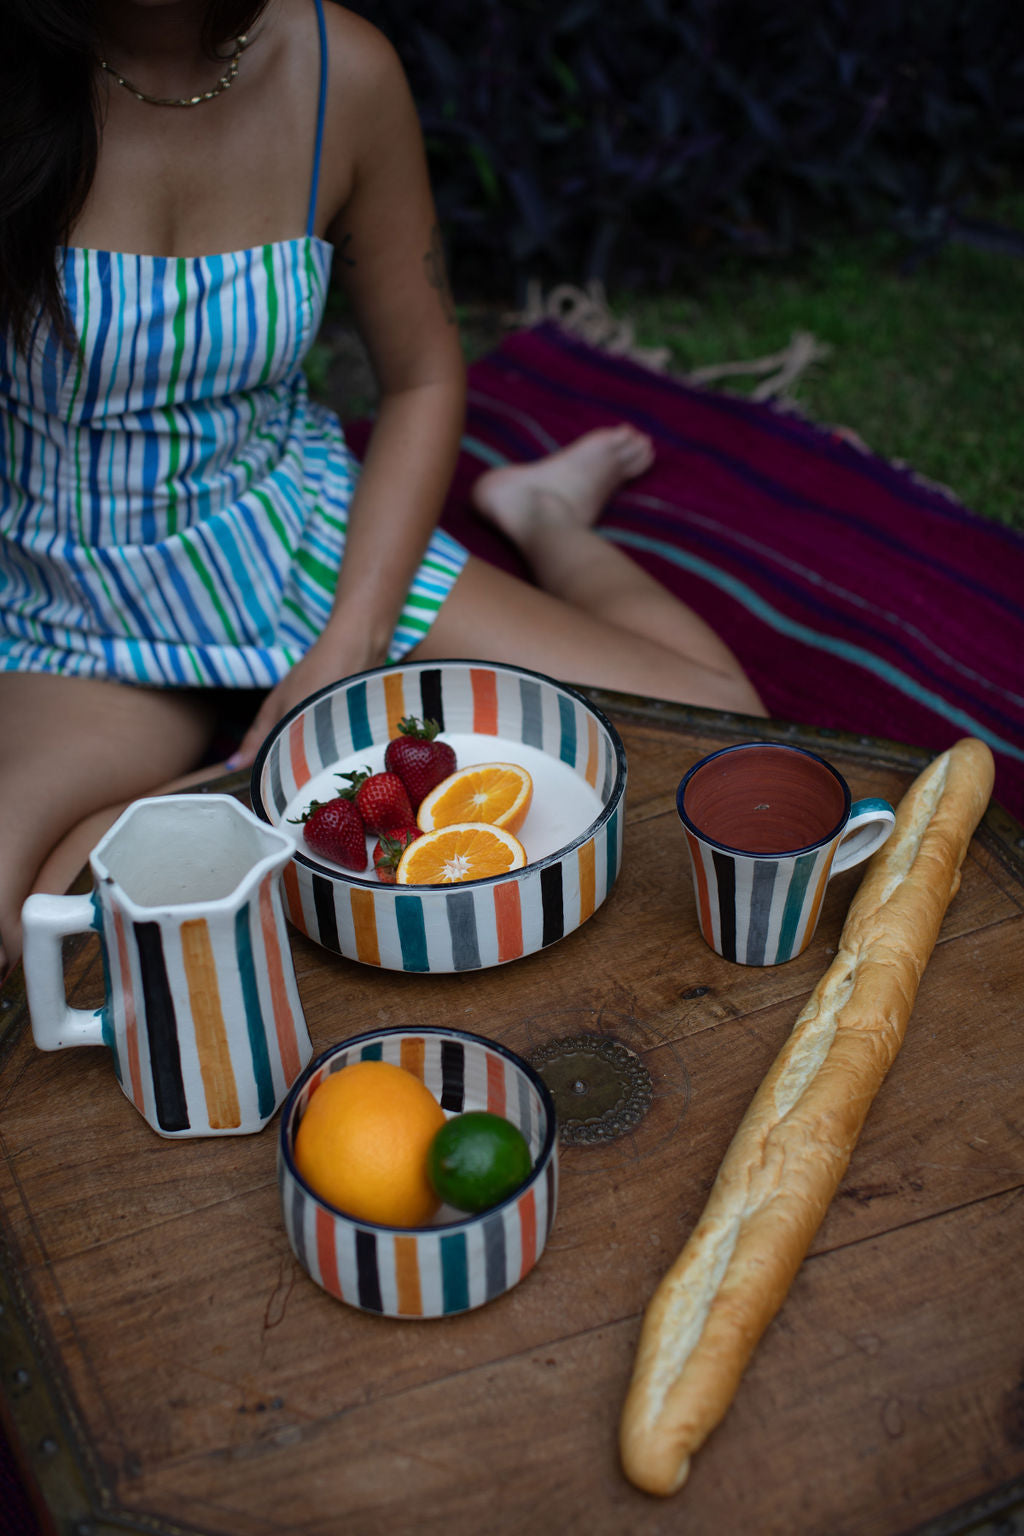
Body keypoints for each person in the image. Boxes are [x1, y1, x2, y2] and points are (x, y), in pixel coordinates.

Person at [0, 0, 765, 973]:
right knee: (35, 936)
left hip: (291, 536)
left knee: (718, 732)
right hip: (74, 593)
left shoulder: (337, 68)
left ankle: (544, 514)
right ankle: (265, 785)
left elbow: (423, 374)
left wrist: (350, 642)